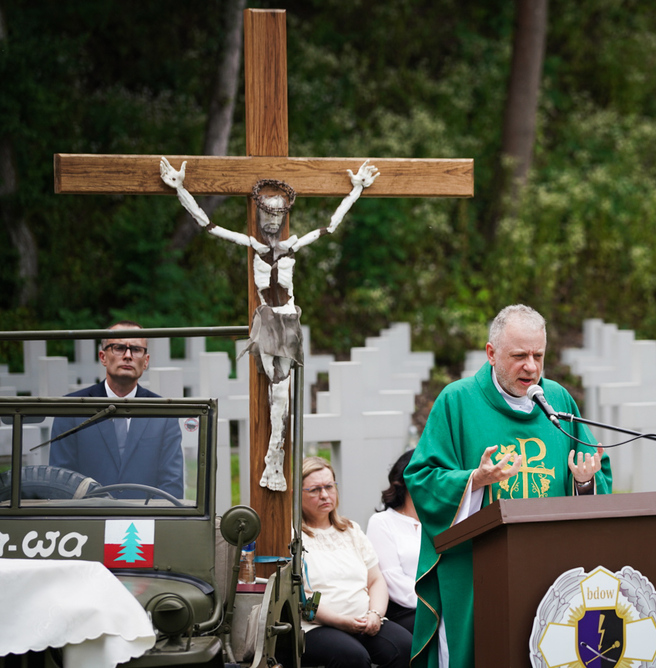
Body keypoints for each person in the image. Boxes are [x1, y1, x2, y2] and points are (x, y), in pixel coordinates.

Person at [404, 304, 612, 668]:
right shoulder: (457, 401)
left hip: (550, 565)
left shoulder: (558, 401)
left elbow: (593, 467)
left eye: (538, 355)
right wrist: (475, 480)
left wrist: (584, 482)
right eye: (519, 356)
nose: (530, 367)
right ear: (491, 353)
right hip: (476, 569)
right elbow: (422, 478)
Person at [160, 157, 379, 492]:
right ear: (259, 214)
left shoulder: (293, 245)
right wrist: (180, 190)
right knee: (274, 393)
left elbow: (331, 225)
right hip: (267, 322)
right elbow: (207, 225)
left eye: (279, 214)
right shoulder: (252, 245)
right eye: (268, 214)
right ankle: (271, 463)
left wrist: (356, 190)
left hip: (288, 321)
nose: (273, 221)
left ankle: (273, 462)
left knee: (282, 396)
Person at [49, 321, 184, 499]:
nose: (128, 356)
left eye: (136, 350)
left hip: (145, 521)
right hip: (87, 520)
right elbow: (60, 482)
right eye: (119, 348)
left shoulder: (164, 414)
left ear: (146, 361)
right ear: (103, 356)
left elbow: (171, 486)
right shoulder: (72, 409)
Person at [299, 456, 412, 668]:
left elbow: (376, 580)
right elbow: (301, 597)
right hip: (315, 626)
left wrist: (375, 614)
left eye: (329, 487)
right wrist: (339, 621)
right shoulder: (293, 537)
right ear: (297, 494)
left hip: (363, 620)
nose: (325, 495)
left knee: (404, 646)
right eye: (314, 490)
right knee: (352, 657)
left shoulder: (350, 530)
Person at [365, 449, 420, 634]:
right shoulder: (382, 523)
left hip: (445, 604)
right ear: (407, 480)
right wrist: (435, 601)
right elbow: (392, 579)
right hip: (404, 610)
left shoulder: (442, 521)